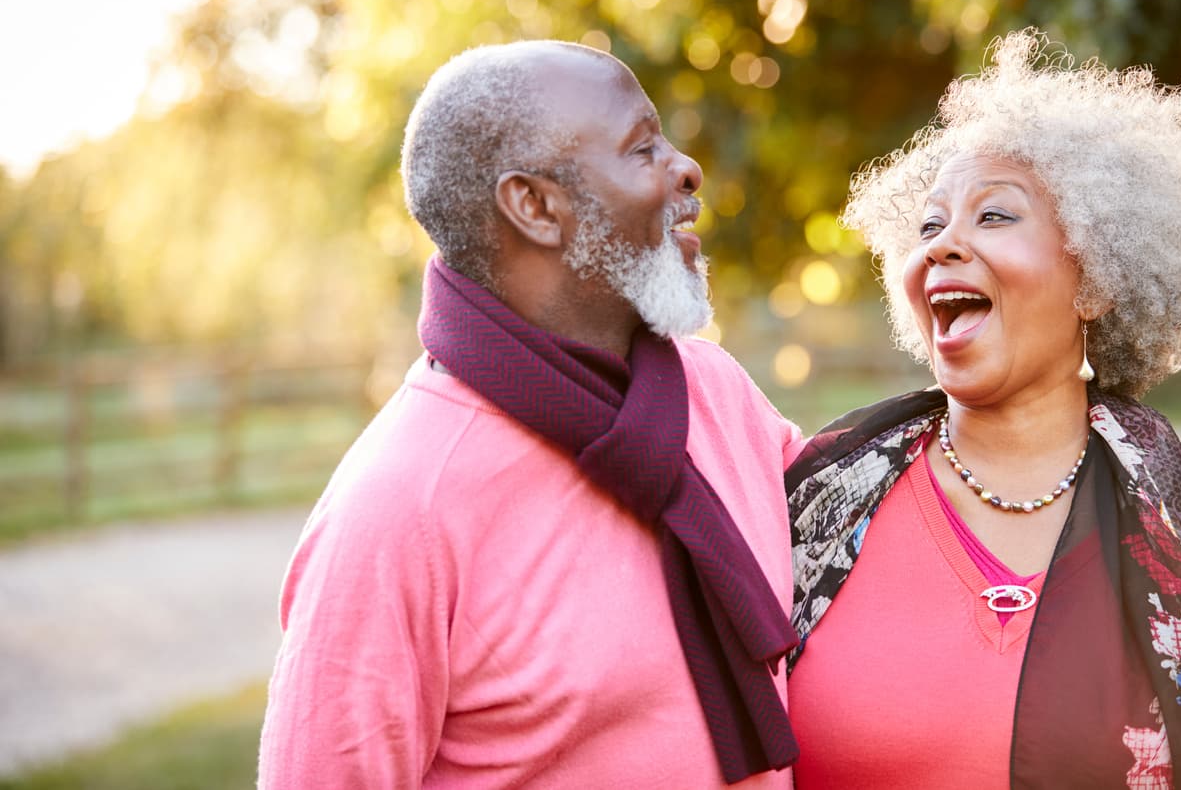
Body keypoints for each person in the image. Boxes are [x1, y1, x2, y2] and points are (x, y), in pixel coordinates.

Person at [257, 40, 807, 788]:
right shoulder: (398, 508)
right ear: (537, 207)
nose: (686, 168)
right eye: (643, 148)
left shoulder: (717, 392)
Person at [786, 30, 1181, 788]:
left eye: (994, 217)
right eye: (929, 225)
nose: (942, 246)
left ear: (1096, 281)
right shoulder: (808, 502)